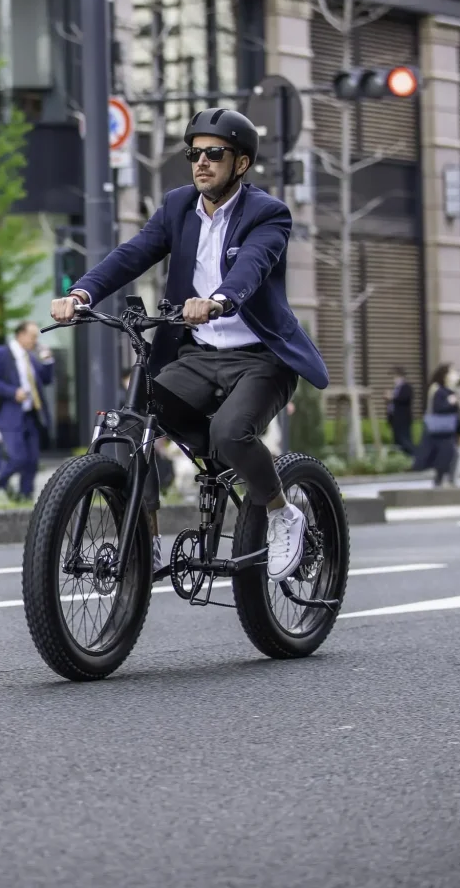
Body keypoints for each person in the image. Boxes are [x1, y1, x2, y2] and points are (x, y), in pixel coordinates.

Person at [49, 108, 329, 583]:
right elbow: (132, 254)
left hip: (260, 358)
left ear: (240, 163)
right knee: (136, 418)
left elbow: (252, 267)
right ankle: (147, 536)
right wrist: (82, 292)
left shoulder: (267, 213)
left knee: (230, 432)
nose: (201, 162)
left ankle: (283, 513)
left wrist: (220, 300)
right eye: (194, 153)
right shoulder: (178, 206)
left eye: (213, 154)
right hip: (197, 355)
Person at [0, 320, 54, 503]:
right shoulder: (2, 354)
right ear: (20, 335)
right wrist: (12, 392)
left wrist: (48, 361)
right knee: (16, 458)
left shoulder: (31, 358)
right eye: (32, 336)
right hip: (10, 416)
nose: (35, 341)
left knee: (32, 461)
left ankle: (24, 497)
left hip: (31, 416)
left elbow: (46, 379)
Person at [413, 363, 460, 487]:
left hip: (449, 431)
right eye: (451, 372)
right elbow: (438, 409)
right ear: (444, 375)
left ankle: (448, 480)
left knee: (452, 455)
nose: (454, 375)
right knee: (445, 456)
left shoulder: (451, 392)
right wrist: (450, 402)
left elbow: (457, 416)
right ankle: (442, 481)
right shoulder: (438, 390)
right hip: (441, 432)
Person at [386, 367, 415, 457]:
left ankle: (414, 456)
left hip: (403, 419)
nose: (394, 379)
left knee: (405, 440)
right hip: (395, 419)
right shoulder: (396, 389)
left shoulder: (406, 387)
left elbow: (405, 399)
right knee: (397, 440)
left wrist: (392, 398)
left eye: (395, 377)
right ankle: (402, 458)